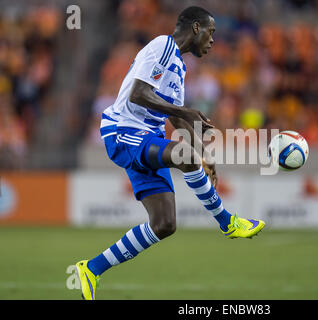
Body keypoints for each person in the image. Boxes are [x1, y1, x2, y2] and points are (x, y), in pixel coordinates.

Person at [74, 6, 265, 300]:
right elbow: (139, 94)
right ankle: (228, 222)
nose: (213, 41)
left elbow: (175, 119)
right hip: (124, 131)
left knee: (164, 225)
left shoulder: (179, 67)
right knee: (184, 157)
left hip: (146, 139)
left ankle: (91, 269)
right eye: (211, 33)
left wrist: (204, 156)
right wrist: (187, 115)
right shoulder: (163, 46)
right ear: (197, 28)